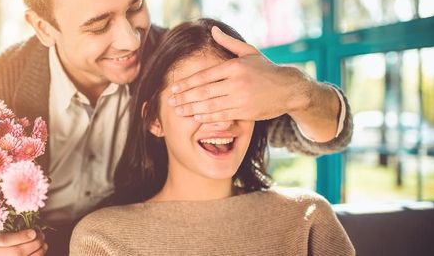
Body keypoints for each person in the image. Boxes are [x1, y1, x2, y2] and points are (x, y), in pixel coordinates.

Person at [0, 0, 353, 255]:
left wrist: (295, 91)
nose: (131, 39)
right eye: (98, 25)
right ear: (43, 27)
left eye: (136, 6)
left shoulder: (178, 61)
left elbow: (322, 135)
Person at [69, 18, 355, 256]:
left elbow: (332, 129)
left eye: (231, 98)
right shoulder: (102, 238)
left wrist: (295, 88)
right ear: (153, 120)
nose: (222, 119)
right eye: (199, 100)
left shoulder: (307, 218)